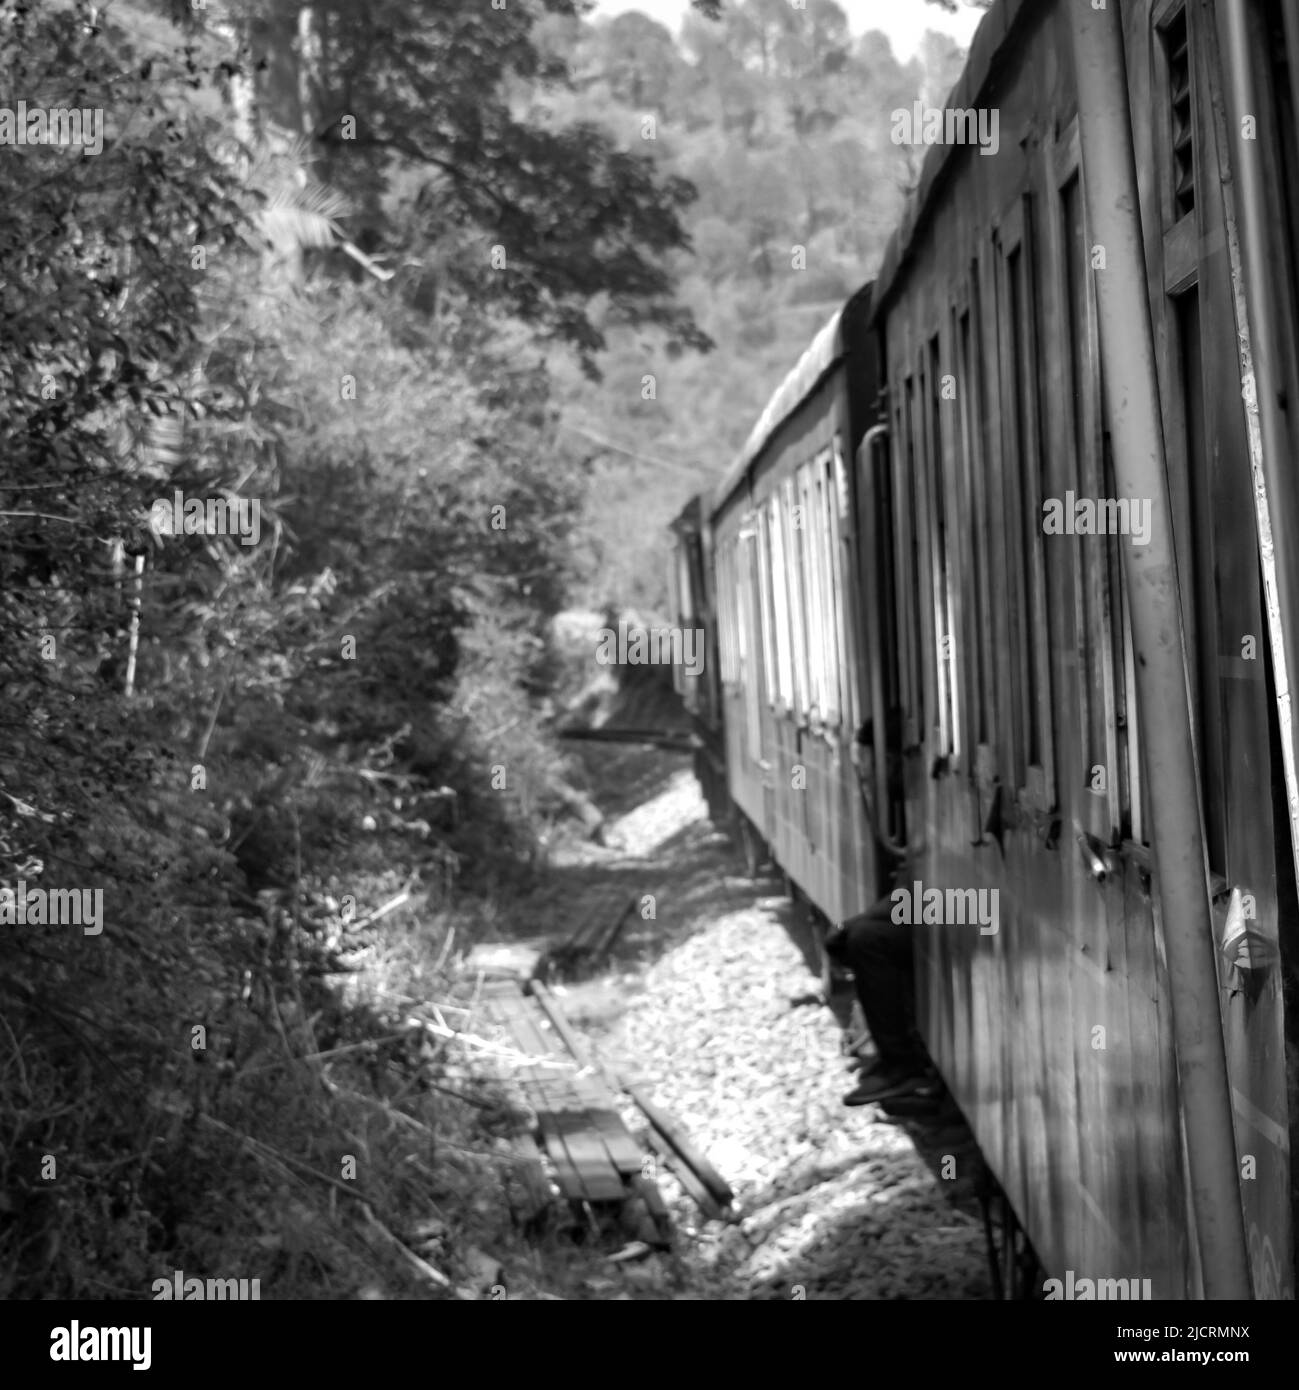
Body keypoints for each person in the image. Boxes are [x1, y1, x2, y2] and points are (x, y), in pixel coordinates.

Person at [826, 882, 935, 1106]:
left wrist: (848, 925)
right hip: (969, 904)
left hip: (976, 905)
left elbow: (926, 892)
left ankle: (902, 1064)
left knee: (867, 940)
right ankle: (909, 1061)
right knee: (867, 934)